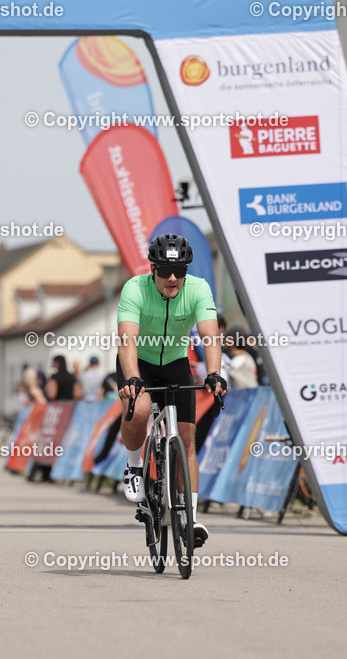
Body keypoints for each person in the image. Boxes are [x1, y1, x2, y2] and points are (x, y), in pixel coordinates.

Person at [116, 234, 226, 548]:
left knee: (186, 441)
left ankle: (189, 517)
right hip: (139, 364)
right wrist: (133, 379)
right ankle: (135, 464)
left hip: (176, 363)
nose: (173, 278)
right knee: (138, 410)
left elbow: (210, 336)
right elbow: (127, 340)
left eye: (180, 270)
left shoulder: (198, 288)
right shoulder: (135, 289)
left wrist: (214, 372)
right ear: (153, 269)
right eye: (165, 270)